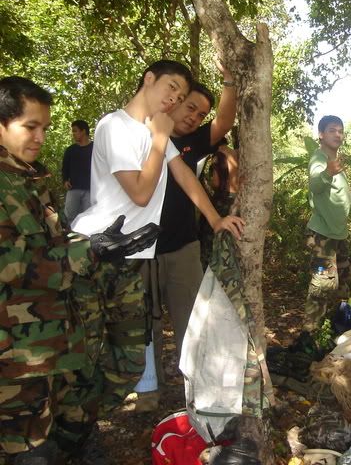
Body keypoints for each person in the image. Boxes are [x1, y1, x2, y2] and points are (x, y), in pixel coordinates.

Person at [0, 76, 158, 464]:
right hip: (14, 361)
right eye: (29, 127)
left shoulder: (27, 180)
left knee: (61, 434)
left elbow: (48, 245)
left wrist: (101, 246)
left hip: (46, 350)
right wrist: (88, 252)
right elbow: (10, 263)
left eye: (45, 128)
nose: (39, 137)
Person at [71, 59, 244, 410]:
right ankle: (84, 419)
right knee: (113, 343)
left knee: (149, 334)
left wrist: (215, 220)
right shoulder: (114, 126)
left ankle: (198, 397)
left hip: (145, 248)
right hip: (111, 252)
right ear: (149, 79)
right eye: (172, 89)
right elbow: (140, 193)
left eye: (180, 94)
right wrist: (160, 137)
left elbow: (184, 176)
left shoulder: (155, 131)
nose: (174, 99)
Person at [151, 63, 238, 366]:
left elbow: (225, 121)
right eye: (190, 107)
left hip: (184, 247)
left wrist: (228, 80)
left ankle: (196, 386)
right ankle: (148, 391)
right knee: (144, 326)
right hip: (142, 252)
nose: (193, 117)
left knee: (190, 319)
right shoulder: (137, 133)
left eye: (201, 114)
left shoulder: (191, 143)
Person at [303, 115, 351, 332]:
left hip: (338, 234)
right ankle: (309, 336)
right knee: (322, 286)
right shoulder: (319, 158)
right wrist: (328, 173)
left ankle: (339, 330)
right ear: (321, 134)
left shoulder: (334, 161)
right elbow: (315, 185)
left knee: (343, 284)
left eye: (340, 131)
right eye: (332, 130)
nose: (338, 134)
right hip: (322, 235)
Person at [198, 134, 239, 269]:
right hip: (235, 199)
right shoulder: (236, 153)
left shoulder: (219, 155)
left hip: (222, 199)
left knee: (210, 240)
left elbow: (216, 181)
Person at [62, 119, 93, 223]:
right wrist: (65, 180)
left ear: (83, 131)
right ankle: (69, 238)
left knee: (88, 217)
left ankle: (87, 238)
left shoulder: (95, 148)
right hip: (73, 189)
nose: (73, 134)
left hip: (91, 190)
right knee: (69, 217)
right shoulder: (70, 150)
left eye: (75, 131)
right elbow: (65, 168)